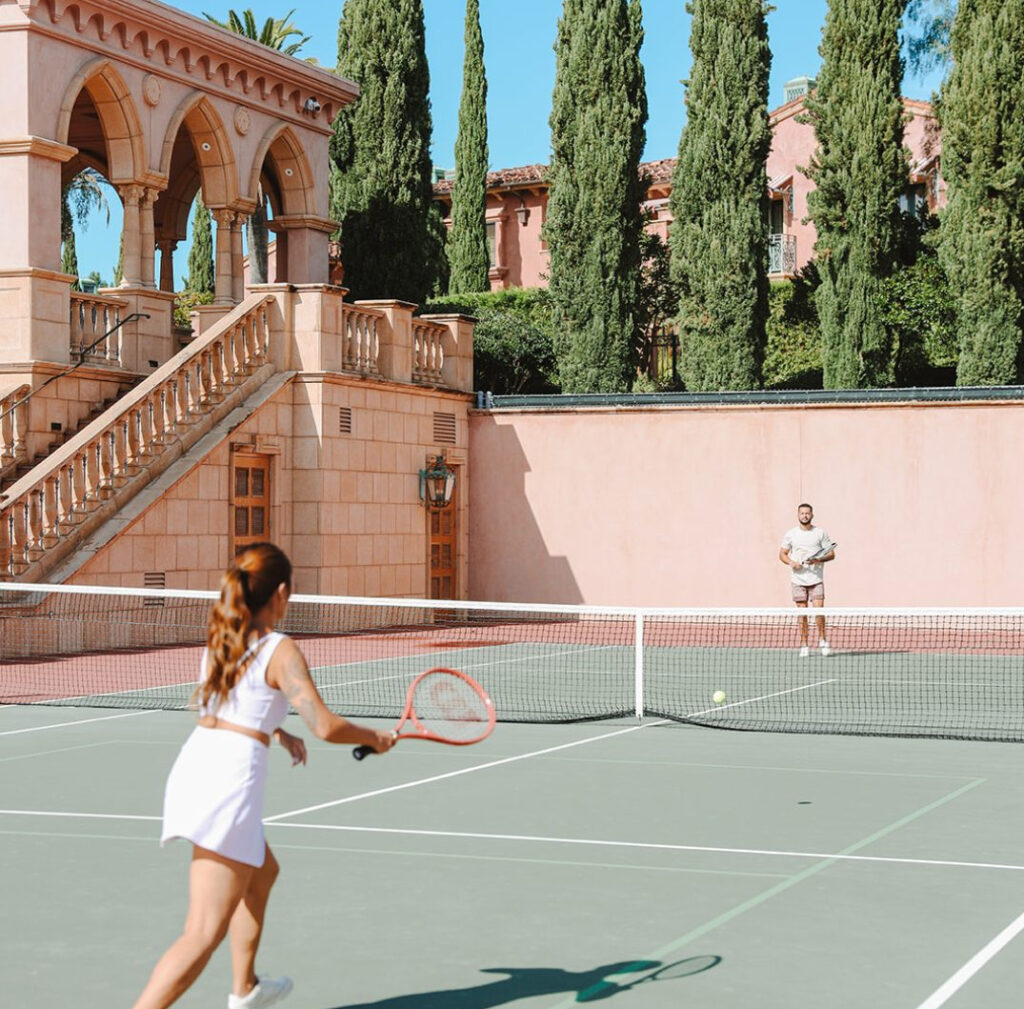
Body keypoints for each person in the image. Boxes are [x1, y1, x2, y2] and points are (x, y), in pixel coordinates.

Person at [132, 543, 395, 1009]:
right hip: (227, 782)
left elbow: (238, 704)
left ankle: (245, 989)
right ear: (280, 592)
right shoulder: (280, 648)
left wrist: (278, 731)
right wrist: (374, 737)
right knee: (201, 933)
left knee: (263, 871)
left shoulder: (223, 637)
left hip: (198, 764)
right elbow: (327, 725)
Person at [779, 503, 836, 657]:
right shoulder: (791, 534)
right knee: (802, 614)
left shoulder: (820, 533)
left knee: (819, 612)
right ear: (798, 515)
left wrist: (818, 560)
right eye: (802, 513)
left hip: (816, 579)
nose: (804, 516)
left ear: (812, 515)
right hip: (798, 580)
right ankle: (804, 644)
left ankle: (823, 641)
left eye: (807, 513)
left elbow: (831, 554)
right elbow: (782, 554)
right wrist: (791, 562)